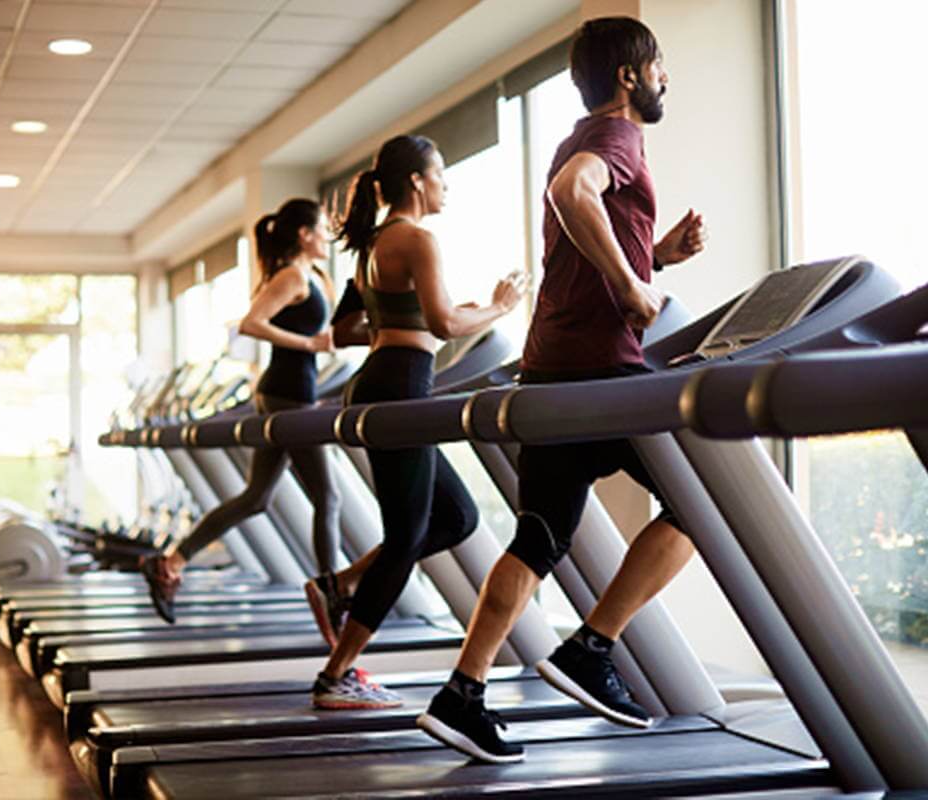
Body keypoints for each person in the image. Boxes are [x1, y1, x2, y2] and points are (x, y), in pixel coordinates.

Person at [416, 16, 708, 763]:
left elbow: (581, 228)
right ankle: (592, 646)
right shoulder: (613, 140)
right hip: (600, 372)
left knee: (539, 537)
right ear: (628, 77)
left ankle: (461, 694)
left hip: (552, 368)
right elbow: (571, 195)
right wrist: (637, 291)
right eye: (658, 65)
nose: (664, 78)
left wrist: (656, 258)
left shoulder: (578, 135)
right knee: (707, 505)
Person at [310, 134, 526, 710]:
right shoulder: (417, 240)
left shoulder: (372, 245)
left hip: (384, 378)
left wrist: (393, 332)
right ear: (416, 181)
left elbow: (347, 330)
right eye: (441, 173)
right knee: (407, 536)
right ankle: (336, 675)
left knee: (456, 517)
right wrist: (501, 307)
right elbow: (446, 321)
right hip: (402, 382)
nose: (446, 184)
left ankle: (342, 584)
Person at [143, 199, 375, 642]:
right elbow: (251, 324)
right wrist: (306, 346)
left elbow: (325, 333)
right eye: (323, 228)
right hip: (286, 394)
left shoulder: (317, 277)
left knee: (256, 498)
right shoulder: (290, 276)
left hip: (295, 393)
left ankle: (171, 562)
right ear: (304, 234)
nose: (328, 234)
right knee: (328, 498)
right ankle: (329, 589)